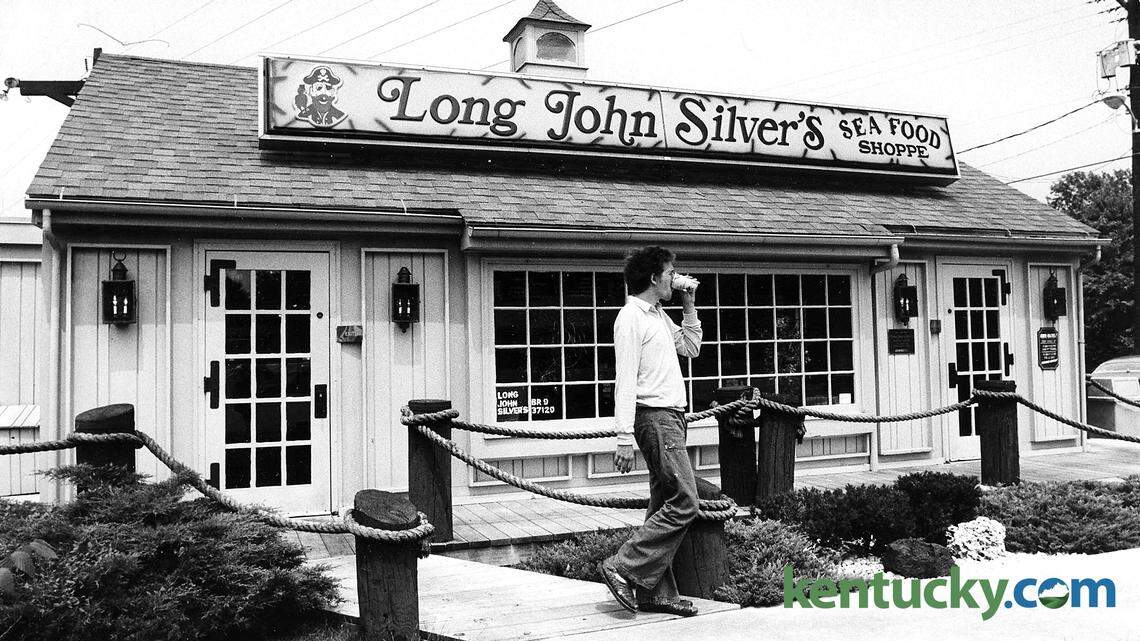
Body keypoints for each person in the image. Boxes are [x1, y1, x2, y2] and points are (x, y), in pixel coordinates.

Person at [597, 246, 702, 617]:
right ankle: (621, 566)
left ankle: (655, 593)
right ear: (655, 277)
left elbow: (691, 347)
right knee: (686, 501)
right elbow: (624, 379)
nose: (676, 278)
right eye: (671, 273)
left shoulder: (658, 314)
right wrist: (623, 437)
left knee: (662, 504)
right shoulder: (631, 317)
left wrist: (688, 305)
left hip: (672, 418)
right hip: (655, 417)